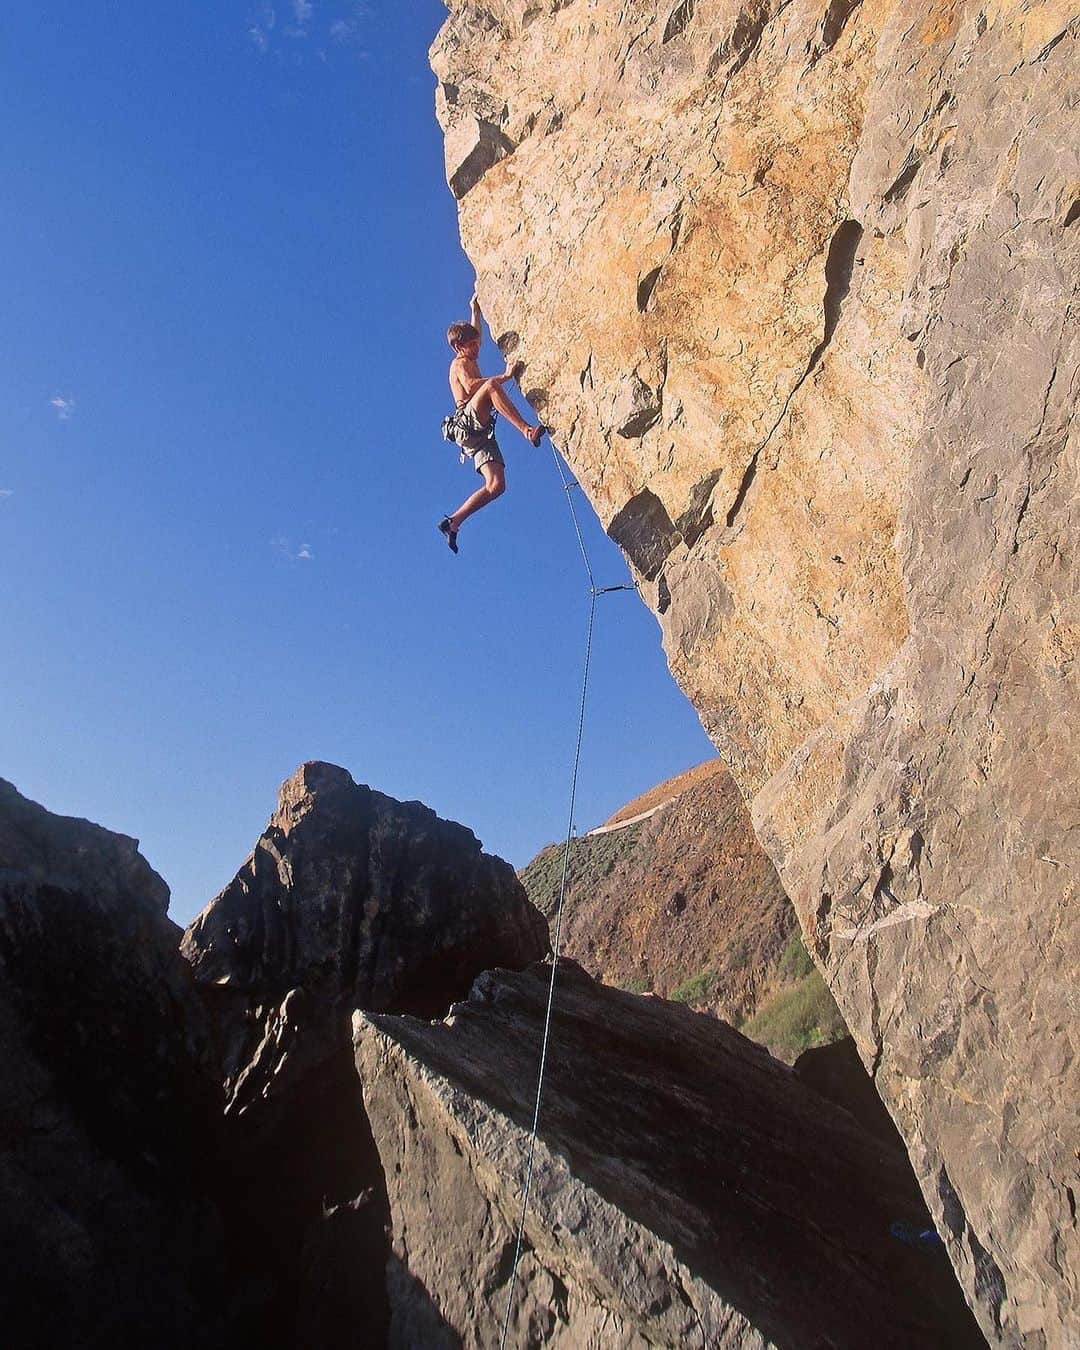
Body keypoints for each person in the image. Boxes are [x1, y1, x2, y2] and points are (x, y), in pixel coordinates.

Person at [438, 295, 544, 554]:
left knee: (496, 486)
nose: (478, 348)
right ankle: (527, 430)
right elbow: (474, 387)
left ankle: (453, 522)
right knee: (491, 386)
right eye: (473, 345)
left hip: (479, 432)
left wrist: (475, 308)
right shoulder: (460, 364)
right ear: (460, 346)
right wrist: (506, 376)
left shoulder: (469, 355)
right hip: (466, 423)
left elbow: (477, 334)